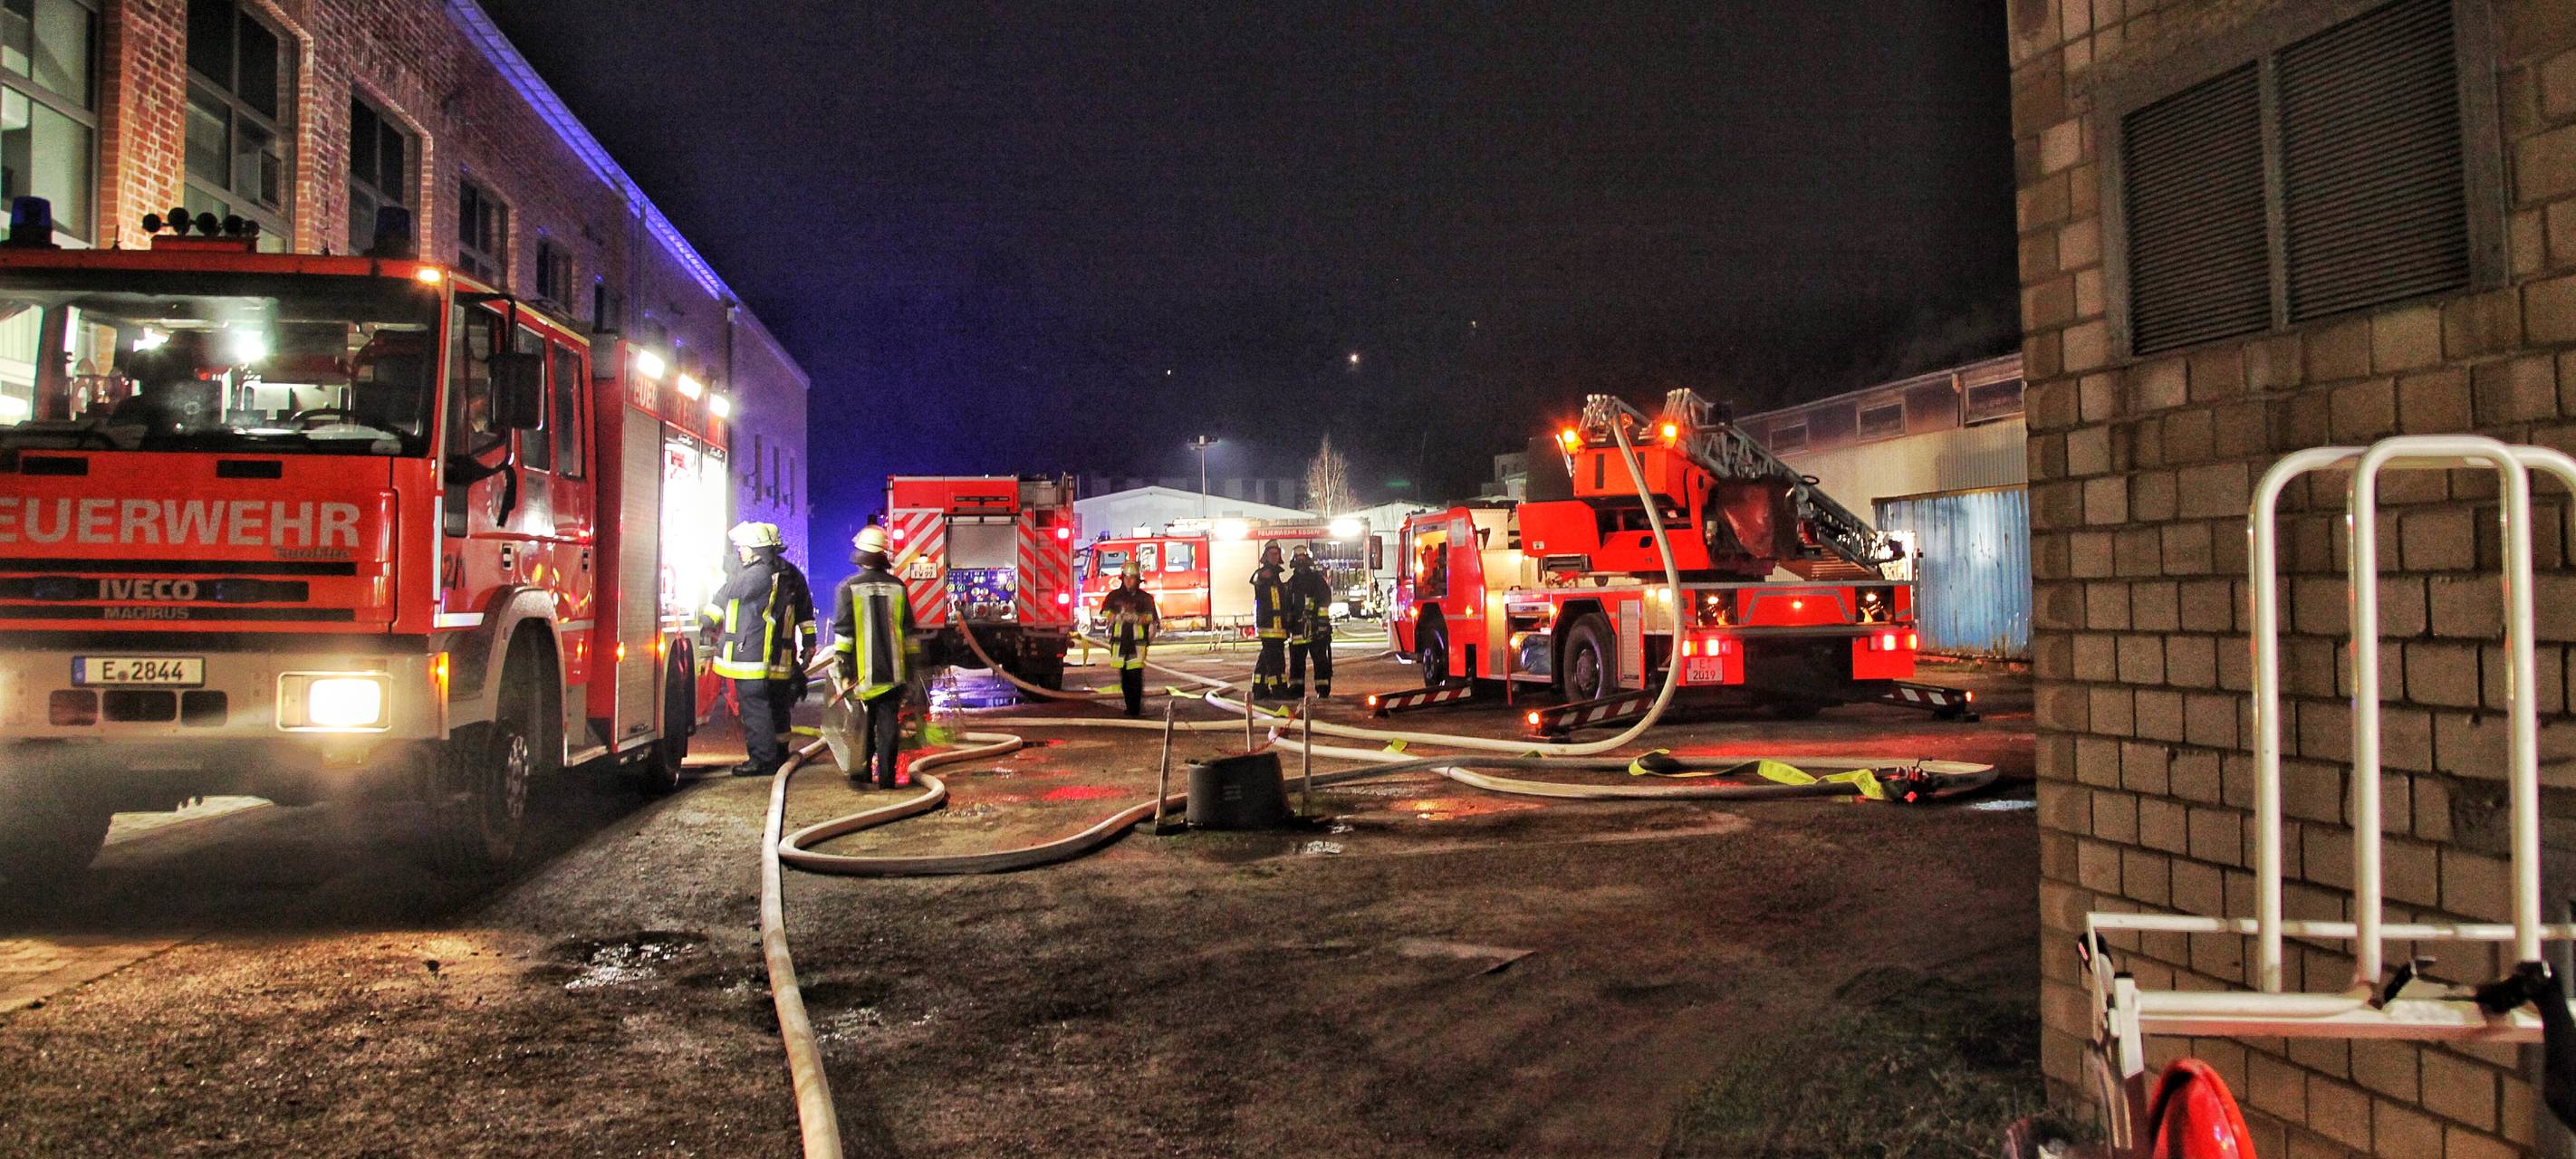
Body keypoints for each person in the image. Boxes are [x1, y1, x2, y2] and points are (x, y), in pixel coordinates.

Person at [700, 522, 815, 777]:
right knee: (775, 706)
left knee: (758, 708)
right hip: (775, 653)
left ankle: (764, 759)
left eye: (742, 547)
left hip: (753, 654)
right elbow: (805, 614)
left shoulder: (756, 575)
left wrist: (729, 573)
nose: (739, 551)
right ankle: (779, 754)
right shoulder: (787, 574)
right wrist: (808, 644)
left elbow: (730, 594)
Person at [832, 524, 918, 788]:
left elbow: (844, 634)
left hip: (861, 672)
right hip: (894, 670)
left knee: (862, 724)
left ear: (860, 554)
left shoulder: (847, 587)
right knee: (888, 723)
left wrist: (843, 671)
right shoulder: (898, 586)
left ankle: (862, 774)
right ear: (883, 555)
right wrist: (911, 670)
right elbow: (908, 631)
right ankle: (888, 779)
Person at [1099, 558, 1161, 716]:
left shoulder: (1145, 599)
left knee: (1135, 679)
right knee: (1125, 680)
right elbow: (1104, 612)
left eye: (1132, 578)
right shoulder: (1114, 596)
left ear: (1137, 580)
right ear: (1122, 578)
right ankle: (1129, 708)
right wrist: (1115, 616)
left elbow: (1151, 618)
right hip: (1120, 645)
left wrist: (1135, 618)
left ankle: (1135, 709)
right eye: (1126, 578)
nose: (1128, 581)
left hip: (1137, 645)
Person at [1285, 543, 1334, 699]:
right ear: (1294, 561)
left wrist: (1322, 625)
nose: (1300, 561)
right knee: (1297, 663)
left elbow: (1325, 601)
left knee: (1320, 661)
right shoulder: (1291, 583)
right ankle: (1296, 690)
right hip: (1298, 631)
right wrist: (1288, 623)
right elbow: (1287, 606)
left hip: (1315, 630)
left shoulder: (1317, 580)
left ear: (1308, 560)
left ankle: (1323, 689)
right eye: (1298, 558)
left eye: (1303, 558)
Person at [1250, 542, 1296, 702]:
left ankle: (1259, 689)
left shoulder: (1277, 578)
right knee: (1276, 662)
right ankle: (1279, 690)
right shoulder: (1263, 574)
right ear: (1266, 556)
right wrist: (1262, 575)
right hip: (1268, 628)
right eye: (1271, 554)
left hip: (1278, 628)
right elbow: (1255, 579)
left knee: (1266, 659)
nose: (1274, 557)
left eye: (1276, 554)